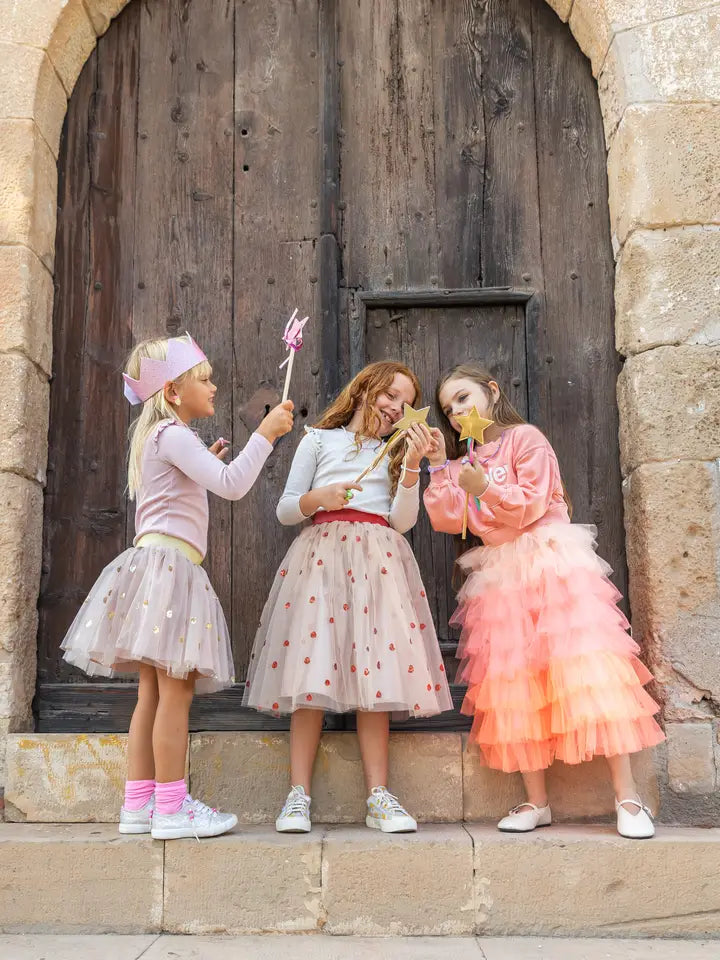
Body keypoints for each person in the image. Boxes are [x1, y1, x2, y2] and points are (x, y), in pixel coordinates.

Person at [62, 333, 293, 839]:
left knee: (151, 693)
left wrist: (200, 459)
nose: (214, 387)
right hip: (171, 571)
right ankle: (171, 807)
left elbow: (179, 492)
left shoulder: (160, 437)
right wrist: (266, 434)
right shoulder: (174, 434)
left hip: (153, 568)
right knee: (176, 693)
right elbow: (232, 484)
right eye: (204, 379)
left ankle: (139, 803)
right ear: (172, 391)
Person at [423, 363, 664, 839]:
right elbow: (447, 518)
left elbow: (532, 504)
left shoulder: (525, 439)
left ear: (492, 392)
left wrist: (484, 488)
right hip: (500, 575)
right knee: (515, 683)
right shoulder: (459, 462)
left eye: (464, 398)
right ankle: (537, 800)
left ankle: (627, 795)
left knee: (587, 671)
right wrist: (435, 465)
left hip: (550, 563)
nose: (456, 413)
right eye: (448, 409)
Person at [244, 362, 452, 834]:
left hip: (377, 566)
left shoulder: (393, 453)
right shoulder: (318, 440)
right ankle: (298, 795)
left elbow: (402, 522)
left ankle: (378, 796)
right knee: (309, 673)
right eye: (390, 394)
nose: (396, 407)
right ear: (363, 390)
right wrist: (322, 497)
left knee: (375, 681)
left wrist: (412, 466)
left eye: (405, 403)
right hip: (321, 562)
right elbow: (285, 509)